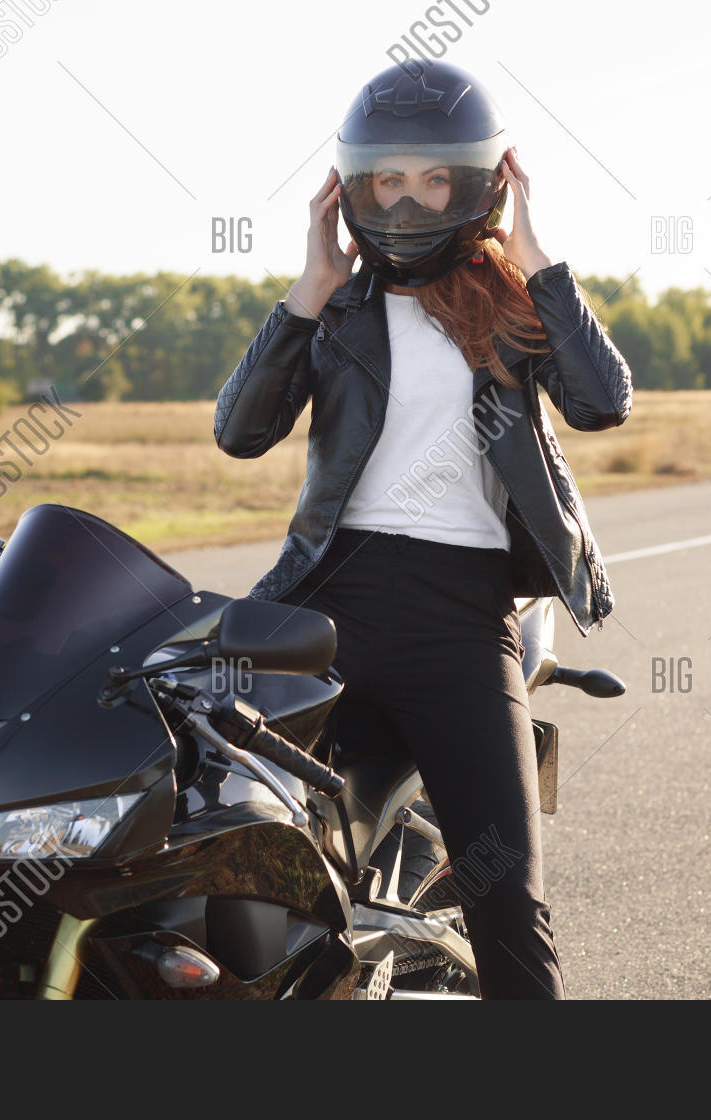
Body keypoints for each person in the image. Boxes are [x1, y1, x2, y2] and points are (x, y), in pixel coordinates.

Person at [212, 59, 633, 999]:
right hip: (325, 612)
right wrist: (310, 284)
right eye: (389, 179)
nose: (408, 201)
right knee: (224, 850)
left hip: (461, 620)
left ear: (482, 184)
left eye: (435, 179)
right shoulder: (335, 309)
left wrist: (538, 260)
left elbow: (602, 403)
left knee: (508, 902)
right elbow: (240, 433)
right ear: (353, 189)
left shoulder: (513, 306)